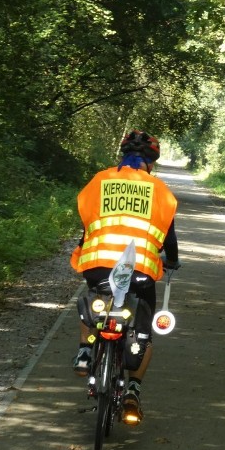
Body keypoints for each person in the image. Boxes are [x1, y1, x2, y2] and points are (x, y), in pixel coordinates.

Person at [70, 129, 180, 424]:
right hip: (140, 271)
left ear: (122, 156)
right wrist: (174, 260)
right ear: (151, 162)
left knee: (93, 305)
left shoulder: (99, 181)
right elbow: (168, 236)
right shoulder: (159, 190)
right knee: (143, 327)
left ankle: (84, 351)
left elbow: (88, 221)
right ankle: (132, 389)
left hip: (98, 263)